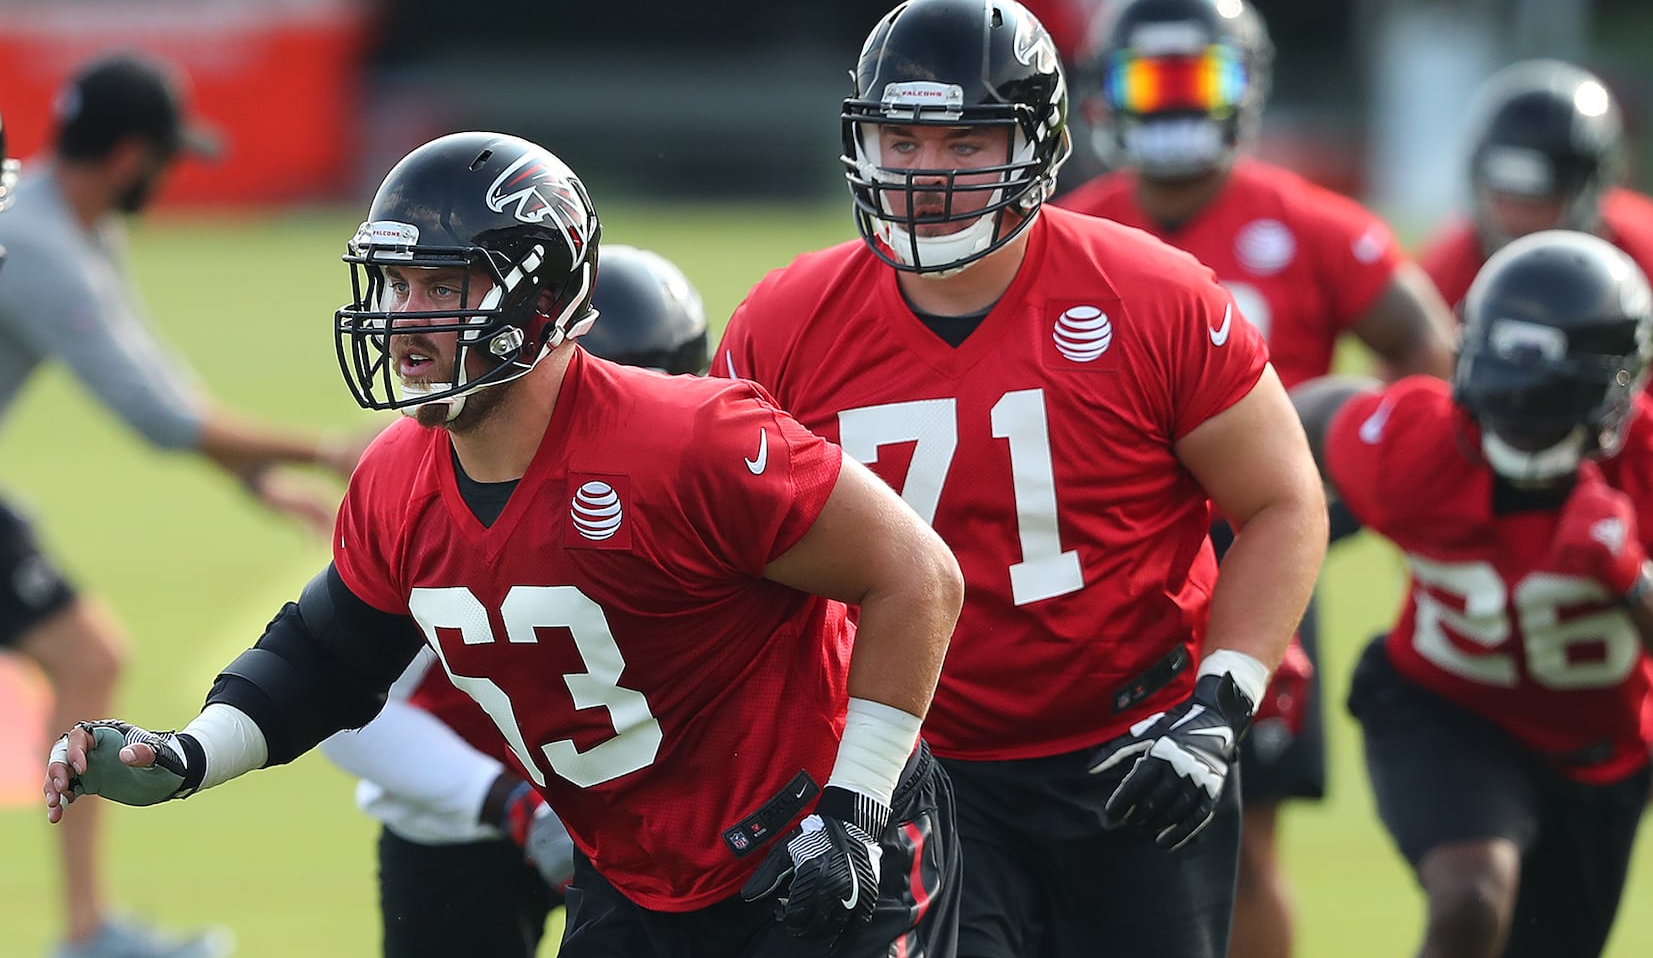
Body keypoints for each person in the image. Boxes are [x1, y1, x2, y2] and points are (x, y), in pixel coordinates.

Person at [44, 130, 967, 958]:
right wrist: (188, 756)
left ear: (540, 295)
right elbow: (326, 658)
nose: (405, 318)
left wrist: (854, 805)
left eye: (442, 286)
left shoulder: (689, 440)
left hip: (814, 843)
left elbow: (915, 575)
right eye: (396, 284)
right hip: (635, 873)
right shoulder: (398, 477)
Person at [717, 0, 1327, 958]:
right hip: (917, 759)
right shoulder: (784, 322)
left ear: (1036, 145)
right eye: (902, 141)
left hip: (1135, 744)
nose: (927, 173)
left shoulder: (1152, 296)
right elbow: (730, 563)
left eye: (966, 144)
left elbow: (1282, 500)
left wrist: (1218, 705)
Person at [1056, 0, 1456, 955]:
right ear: (1107, 93)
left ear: (1244, 85)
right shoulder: (1077, 230)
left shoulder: (1313, 224)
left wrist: (1356, 486)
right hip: (1116, 566)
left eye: (1194, 78)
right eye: (1149, 84)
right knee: (1081, 824)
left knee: (1244, 841)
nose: (1177, 103)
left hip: (1256, 548)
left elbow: (1427, 353)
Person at [1293, 230, 1653, 958]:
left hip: (1596, 751)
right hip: (1442, 709)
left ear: (1619, 392)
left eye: (1546, 402)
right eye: (1503, 391)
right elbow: (1284, 426)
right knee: (1472, 892)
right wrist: (1267, 524)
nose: (1518, 419)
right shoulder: (1416, 441)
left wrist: (1635, 580)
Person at [1, 54, 364, 958]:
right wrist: (326, 452)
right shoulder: (38, 246)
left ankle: (88, 929)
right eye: (166, 160)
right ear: (130, 157)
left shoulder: (63, 222)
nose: (166, 180)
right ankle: (87, 934)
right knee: (88, 655)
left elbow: (161, 382)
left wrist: (251, 475)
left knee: (87, 657)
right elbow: (159, 417)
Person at [318, 244, 714, 958]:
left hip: (665, 820)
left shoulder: (703, 472)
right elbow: (344, 713)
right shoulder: (432, 495)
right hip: (468, 829)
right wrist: (507, 801)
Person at [1417, 58, 1653, 800]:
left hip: (1636, 533)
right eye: (1503, 193)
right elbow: (1421, 422)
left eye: (1539, 195)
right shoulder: (1453, 270)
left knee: (1645, 781)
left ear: (1591, 187)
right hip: (1508, 548)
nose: (1517, 217)